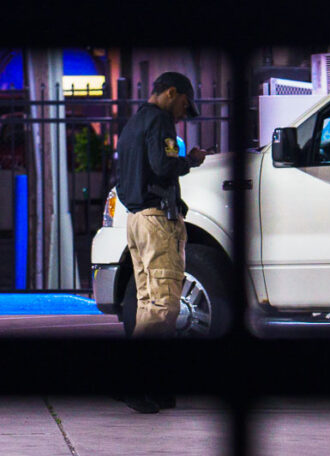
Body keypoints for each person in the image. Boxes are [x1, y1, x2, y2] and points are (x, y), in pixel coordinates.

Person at [115, 71, 207, 413]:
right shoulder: (160, 120)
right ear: (171, 93)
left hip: (135, 221)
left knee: (146, 305)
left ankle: (151, 387)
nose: (183, 113)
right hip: (156, 221)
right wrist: (190, 161)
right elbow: (163, 166)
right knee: (164, 306)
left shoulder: (134, 123)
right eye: (184, 105)